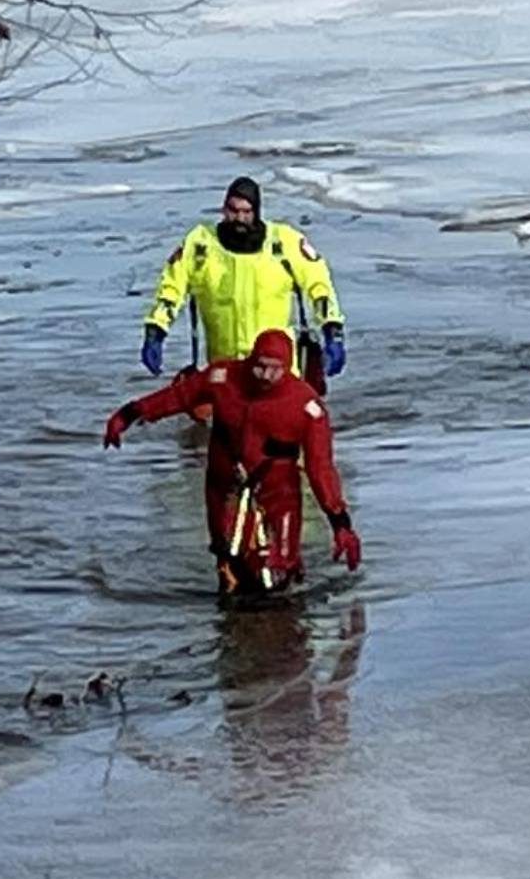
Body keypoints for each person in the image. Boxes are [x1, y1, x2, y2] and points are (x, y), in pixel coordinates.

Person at [104, 328, 362, 595]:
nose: (266, 376)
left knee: (281, 570)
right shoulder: (222, 378)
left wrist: (340, 524)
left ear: (287, 367)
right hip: (225, 487)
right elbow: (178, 397)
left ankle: (286, 623)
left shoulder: (307, 406)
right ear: (252, 359)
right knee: (228, 563)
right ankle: (231, 625)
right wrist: (129, 414)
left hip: (279, 494)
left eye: (275, 369)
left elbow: (320, 468)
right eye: (260, 367)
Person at [140, 176, 348, 390]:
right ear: (223, 209)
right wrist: (155, 331)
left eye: (246, 212)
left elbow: (320, 287)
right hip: (225, 372)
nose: (239, 218)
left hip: (276, 372)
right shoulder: (200, 245)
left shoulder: (285, 243)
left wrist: (332, 331)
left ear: (257, 212)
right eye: (233, 210)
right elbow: (171, 291)